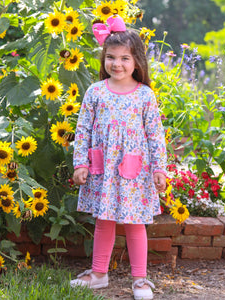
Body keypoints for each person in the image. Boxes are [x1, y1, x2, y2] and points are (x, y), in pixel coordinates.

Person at [70, 15, 167, 300]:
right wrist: (81, 163)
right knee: (104, 221)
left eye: (125, 58)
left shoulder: (145, 95)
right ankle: (98, 275)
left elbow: (155, 135)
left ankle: (140, 280)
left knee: (136, 224)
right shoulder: (95, 92)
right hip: (103, 170)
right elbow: (83, 129)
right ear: (104, 59)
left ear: (137, 61)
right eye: (111, 57)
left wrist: (160, 169)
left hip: (134, 172)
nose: (117, 64)